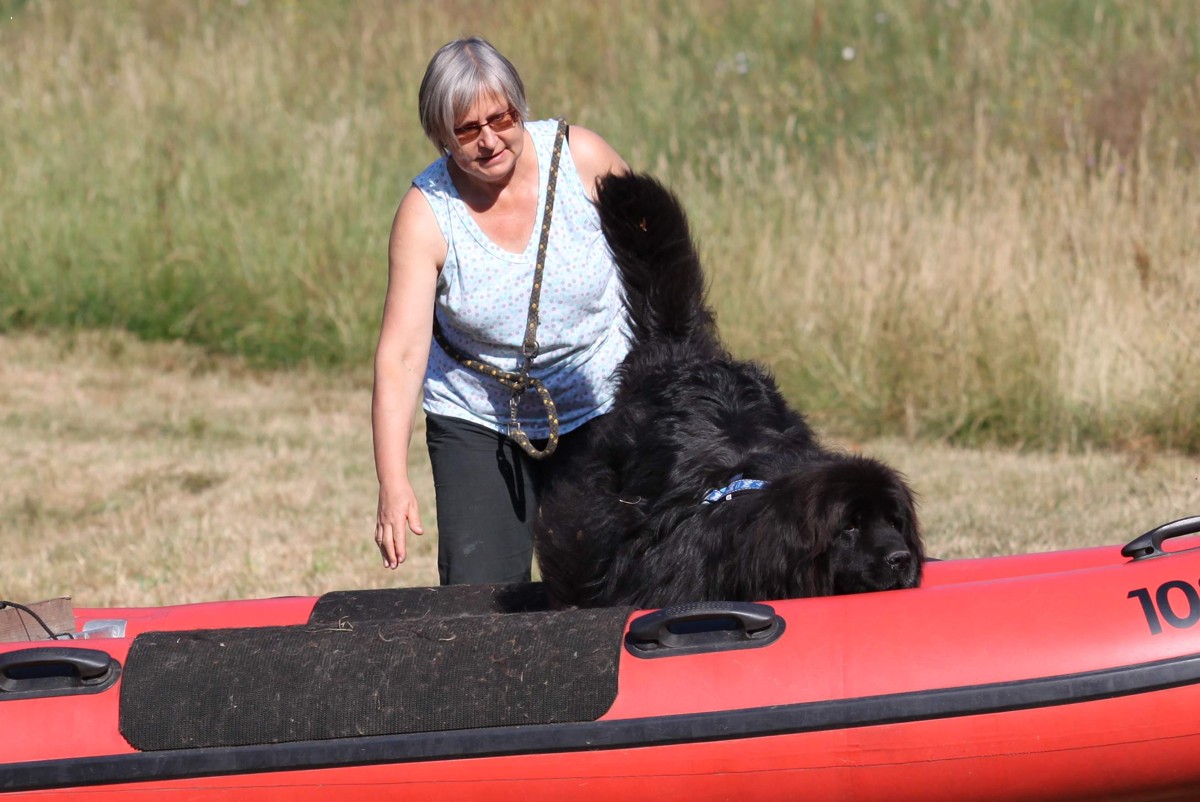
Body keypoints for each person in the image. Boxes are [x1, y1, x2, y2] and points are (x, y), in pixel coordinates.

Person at [372, 36, 630, 585]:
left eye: (501, 118)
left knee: (608, 588)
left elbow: (657, 264)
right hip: (479, 419)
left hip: (603, 402)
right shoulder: (426, 213)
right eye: (468, 129)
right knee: (479, 603)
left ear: (520, 107)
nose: (489, 140)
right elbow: (401, 356)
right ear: (440, 135)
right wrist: (392, 482)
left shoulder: (583, 159)